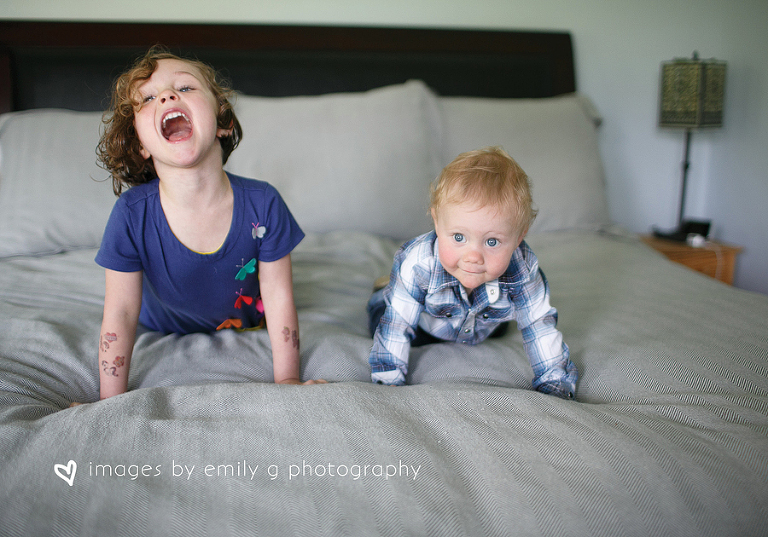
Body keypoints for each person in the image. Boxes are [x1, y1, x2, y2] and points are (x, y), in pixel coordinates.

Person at [92, 46, 323, 400]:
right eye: (149, 98)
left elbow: (278, 295)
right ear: (140, 145)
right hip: (161, 324)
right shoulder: (131, 214)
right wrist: (108, 401)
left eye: (185, 87)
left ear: (223, 121)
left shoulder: (264, 203)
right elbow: (121, 312)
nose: (167, 96)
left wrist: (288, 379)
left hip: (246, 321)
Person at [367, 147, 577, 399]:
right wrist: (388, 381)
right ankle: (386, 287)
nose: (473, 257)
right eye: (459, 237)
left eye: (492, 242)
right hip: (427, 320)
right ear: (437, 222)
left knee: (503, 325)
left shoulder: (522, 267)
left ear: (519, 237)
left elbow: (539, 325)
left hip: (483, 321)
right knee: (381, 318)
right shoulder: (420, 263)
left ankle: (475, 314)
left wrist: (555, 383)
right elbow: (398, 324)